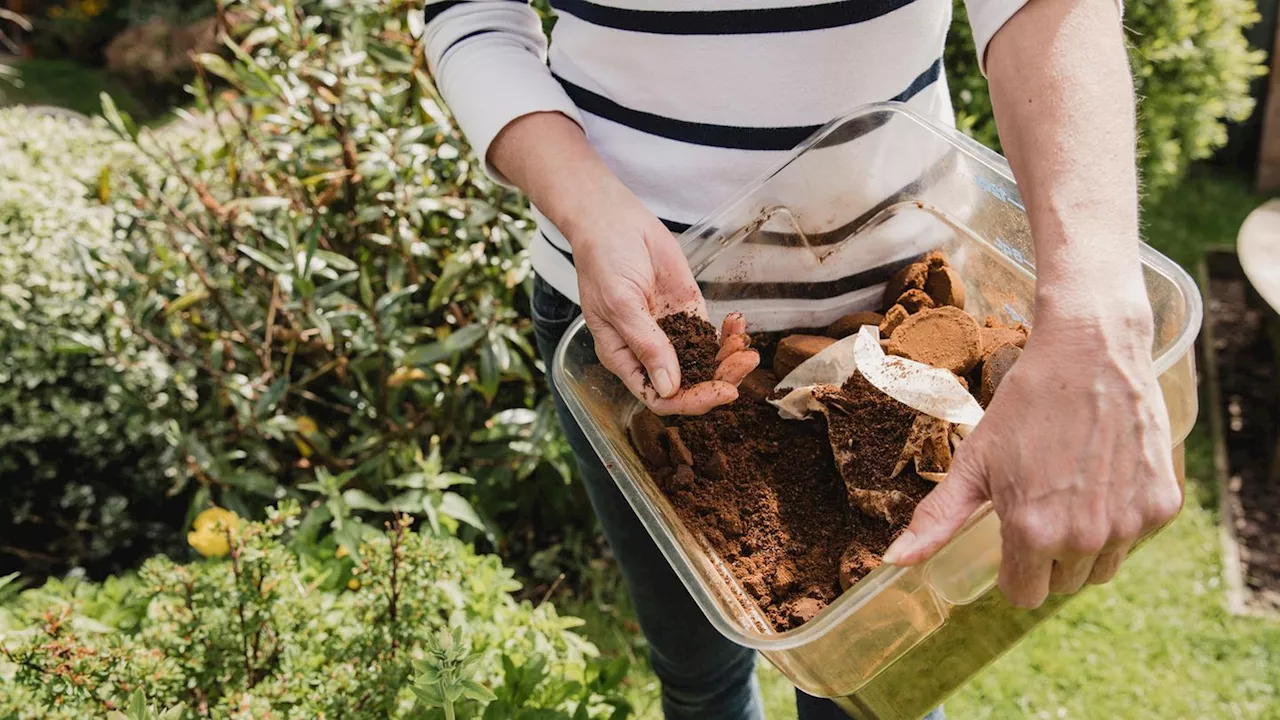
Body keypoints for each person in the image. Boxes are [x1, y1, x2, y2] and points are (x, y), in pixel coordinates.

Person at [424, 0, 1183, 716]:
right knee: (698, 678)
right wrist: (588, 206)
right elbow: (470, 14)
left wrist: (1094, 320)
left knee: (876, 694)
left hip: (900, 328)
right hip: (635, 337)